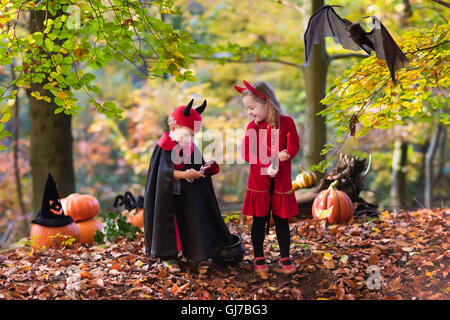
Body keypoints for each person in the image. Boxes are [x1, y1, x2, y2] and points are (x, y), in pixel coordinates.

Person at [143, 99, 234, 273]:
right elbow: (163, 174)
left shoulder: (190, 147)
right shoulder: (165, 147)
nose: (190, 139)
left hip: (187, 194)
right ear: (173, 129)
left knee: (194, 220)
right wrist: (186, 174)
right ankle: (169, 257)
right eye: (186, 135)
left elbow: (197, 166)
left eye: (193, 135)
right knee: (171, 225)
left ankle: (198, 254)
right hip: (168, 195)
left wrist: (203, 172)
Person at [235, 80, 300, 275]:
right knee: (259, 219)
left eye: (252, 107)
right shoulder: (252, 128)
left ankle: (285, 255)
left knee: (281, 219)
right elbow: (247, 153)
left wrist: (286, 154)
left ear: (266, 102)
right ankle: (258, 255)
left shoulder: (286, 122)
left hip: (281, 180)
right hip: (259, 181)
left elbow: (294, 144)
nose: (249, 112)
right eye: (247, 108)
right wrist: (266, 163)